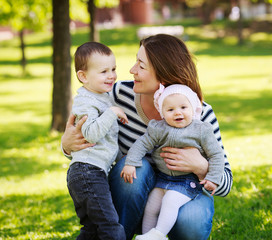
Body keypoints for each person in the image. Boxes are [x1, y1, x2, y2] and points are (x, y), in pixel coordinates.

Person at [61, 34, 233, 240]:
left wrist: (201, 167)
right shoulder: (116, 96)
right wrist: (66, 146)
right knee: (134, 169)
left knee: (192, 221)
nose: (132, 70)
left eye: (141, 66)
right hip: (134, 193)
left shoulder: (200, 113)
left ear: (164, 75)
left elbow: (226, 185)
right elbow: (85, 139)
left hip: (183, 192)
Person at [121, 84, 225, 240]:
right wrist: (131, 162)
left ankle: (159, 234)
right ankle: (147, 236)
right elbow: (142, 143)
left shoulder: (201, 130)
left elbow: (217, 155)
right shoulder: (159, 128)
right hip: (163, 179)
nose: (178, 112)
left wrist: (213, 178)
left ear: (193, 108)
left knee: (170, 201)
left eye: (183, 107)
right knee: (151, 206)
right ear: (162, 112)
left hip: (187, 181)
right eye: (170, 110)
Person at [66, 42, 128, 240]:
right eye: (104, 71)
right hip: (87, 173)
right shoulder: (86, 102)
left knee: (92, 230)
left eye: (113, 69)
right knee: (111, 228)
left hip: (90, 173)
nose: (111, 75)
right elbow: (91, 133)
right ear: (83, 76)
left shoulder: (102, 96)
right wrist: (111, 113)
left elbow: (108, 142)